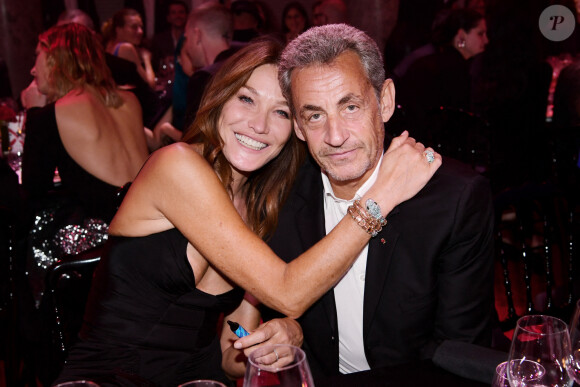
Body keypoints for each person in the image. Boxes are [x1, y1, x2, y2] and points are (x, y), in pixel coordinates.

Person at [53, 35, 440, 386]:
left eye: (282, 113)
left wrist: (277, 343)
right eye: (246, 98)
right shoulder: (177, 167)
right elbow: (288, 292)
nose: (258, 125)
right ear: (221, 97)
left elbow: (231, 351)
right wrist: (381, 197)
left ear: (297, 130)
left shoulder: (262, 208)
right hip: (108, 378)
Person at [255, 24, 494, 382]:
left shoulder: (454, 199)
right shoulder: (282, 194)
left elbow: (456, 354)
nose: (335, 137)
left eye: (350, 106)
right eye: (315, 115)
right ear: (299, 127)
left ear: (384, 101)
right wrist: (294, 329)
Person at [19, 22, 149, 384]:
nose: (32, 69)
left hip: (102, 246)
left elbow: (33, 187)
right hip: (147, 235)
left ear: (58, 62)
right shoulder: (130, 100)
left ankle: (41, 357)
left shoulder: (52, 113)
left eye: (38, 58)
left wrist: (33, 113)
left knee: (28, 242)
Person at [397, 8, 488, 142]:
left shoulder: (442, 62)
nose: (486, 40)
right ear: (461, 35)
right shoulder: (453, 69)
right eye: (480, 34)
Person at [102, 8, 156, 89]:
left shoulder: (109, 45)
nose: (140, 31)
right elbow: (151, 84)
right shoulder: (126, 48)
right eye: (134, 27)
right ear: (119, 30)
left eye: (141, 27)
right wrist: (146, 59)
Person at [150, 0, 189, 75]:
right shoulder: (158, 39)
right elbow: (154, 65)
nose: (178, 16)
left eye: (181, 12)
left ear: (187, 15)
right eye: (174, 13)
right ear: (168, 18)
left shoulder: (192, 38)